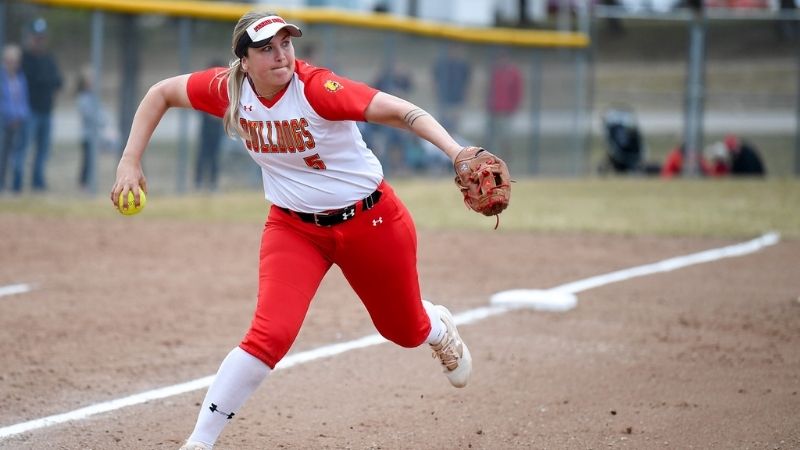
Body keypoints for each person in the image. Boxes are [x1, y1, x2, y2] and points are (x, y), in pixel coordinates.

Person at [110, 12, 476, 450]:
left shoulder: (317, 89)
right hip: (294, 229)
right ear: (243, 60)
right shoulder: (230, 90)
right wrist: (129, 160)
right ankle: (199, 443)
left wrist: (457, 152)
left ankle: (436, 326)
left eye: (286, 43)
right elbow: (161, 93)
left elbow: (400, 111)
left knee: (403, 330)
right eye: (266, 48)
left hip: (370, 221)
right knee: (270, 334)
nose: (281, 55)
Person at [20, 17, 62, 192]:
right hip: (29, 111)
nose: (39, 40)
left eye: (41, 37)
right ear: (29, 37)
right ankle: (16, 185)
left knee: (42, 152)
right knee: (22, 149)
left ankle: (38, 184)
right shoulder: (24, 59)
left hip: (46, 111)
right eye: (36, 37)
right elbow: (30, 82)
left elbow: (58, 81)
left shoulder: (48, 58)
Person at [76, 66, 116, 192]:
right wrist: (102, 122)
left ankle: (89, 183)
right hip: (87, 136)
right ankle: (83, 184)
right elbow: (90, 115)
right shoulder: (83, 98)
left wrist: (107, 123)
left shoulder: (94, 97)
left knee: (92, 161)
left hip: (96, 136)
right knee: (87, 162)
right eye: (90, 79)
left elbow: (101, 112)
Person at [0, 44, 30, 194]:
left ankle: (15, 186)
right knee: (3, 156)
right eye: (9, 60)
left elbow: (23, 100)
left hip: (19, 123)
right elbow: (4, 102)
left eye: (15, 61)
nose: (13, 64)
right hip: (5, 123)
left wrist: (21, 116)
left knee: (18, 155)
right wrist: (11, 116)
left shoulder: (20, 78)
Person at [194, 60, 227, 192]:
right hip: (206, 129)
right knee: (203, 154)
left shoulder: (222, 89)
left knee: (215, 156)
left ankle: (213, 183)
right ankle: (199, 181)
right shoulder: (205, 88)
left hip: (217, 129)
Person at [485, 49, 522, 163]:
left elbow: (517, 93)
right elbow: (488, 90)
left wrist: (512, 109)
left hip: (506, 112)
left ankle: (506, 164)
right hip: (493, 111)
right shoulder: (495, 72)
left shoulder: (514, 73)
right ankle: (490, 165)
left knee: (506, 140)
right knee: (491, 140)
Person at [432, 44, 471, 133]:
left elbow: (467, 83)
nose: (454, 52)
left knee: (455, 122)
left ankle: (454, 137)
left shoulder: (463, 65)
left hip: (457, 97)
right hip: (444, 97)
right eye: (452, 50)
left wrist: (465, 97)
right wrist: (436, 93)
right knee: (443, 122)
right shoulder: (442, 63)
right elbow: (435, 81)